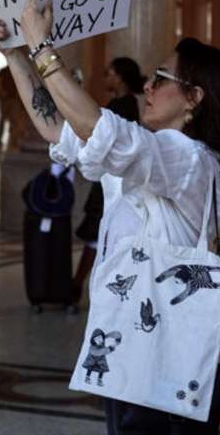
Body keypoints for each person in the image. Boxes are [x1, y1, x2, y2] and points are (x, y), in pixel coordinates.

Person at [0, 0, 220, 434]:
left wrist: (40, 44)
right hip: (128, 346)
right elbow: (59, 128)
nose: (147, 86)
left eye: (161, 78)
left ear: (194, 98)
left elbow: (99, 130)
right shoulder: (148, 153)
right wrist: (16, 54)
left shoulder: (190, 160)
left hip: (166, 354)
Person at [72, 57, 145, 302]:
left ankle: (78, 286)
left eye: (109, 73)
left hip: (112, 182)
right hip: (113, 180)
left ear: (120, 76)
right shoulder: (129, 104)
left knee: (98, 236)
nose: (105, 78)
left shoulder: (122, 106)